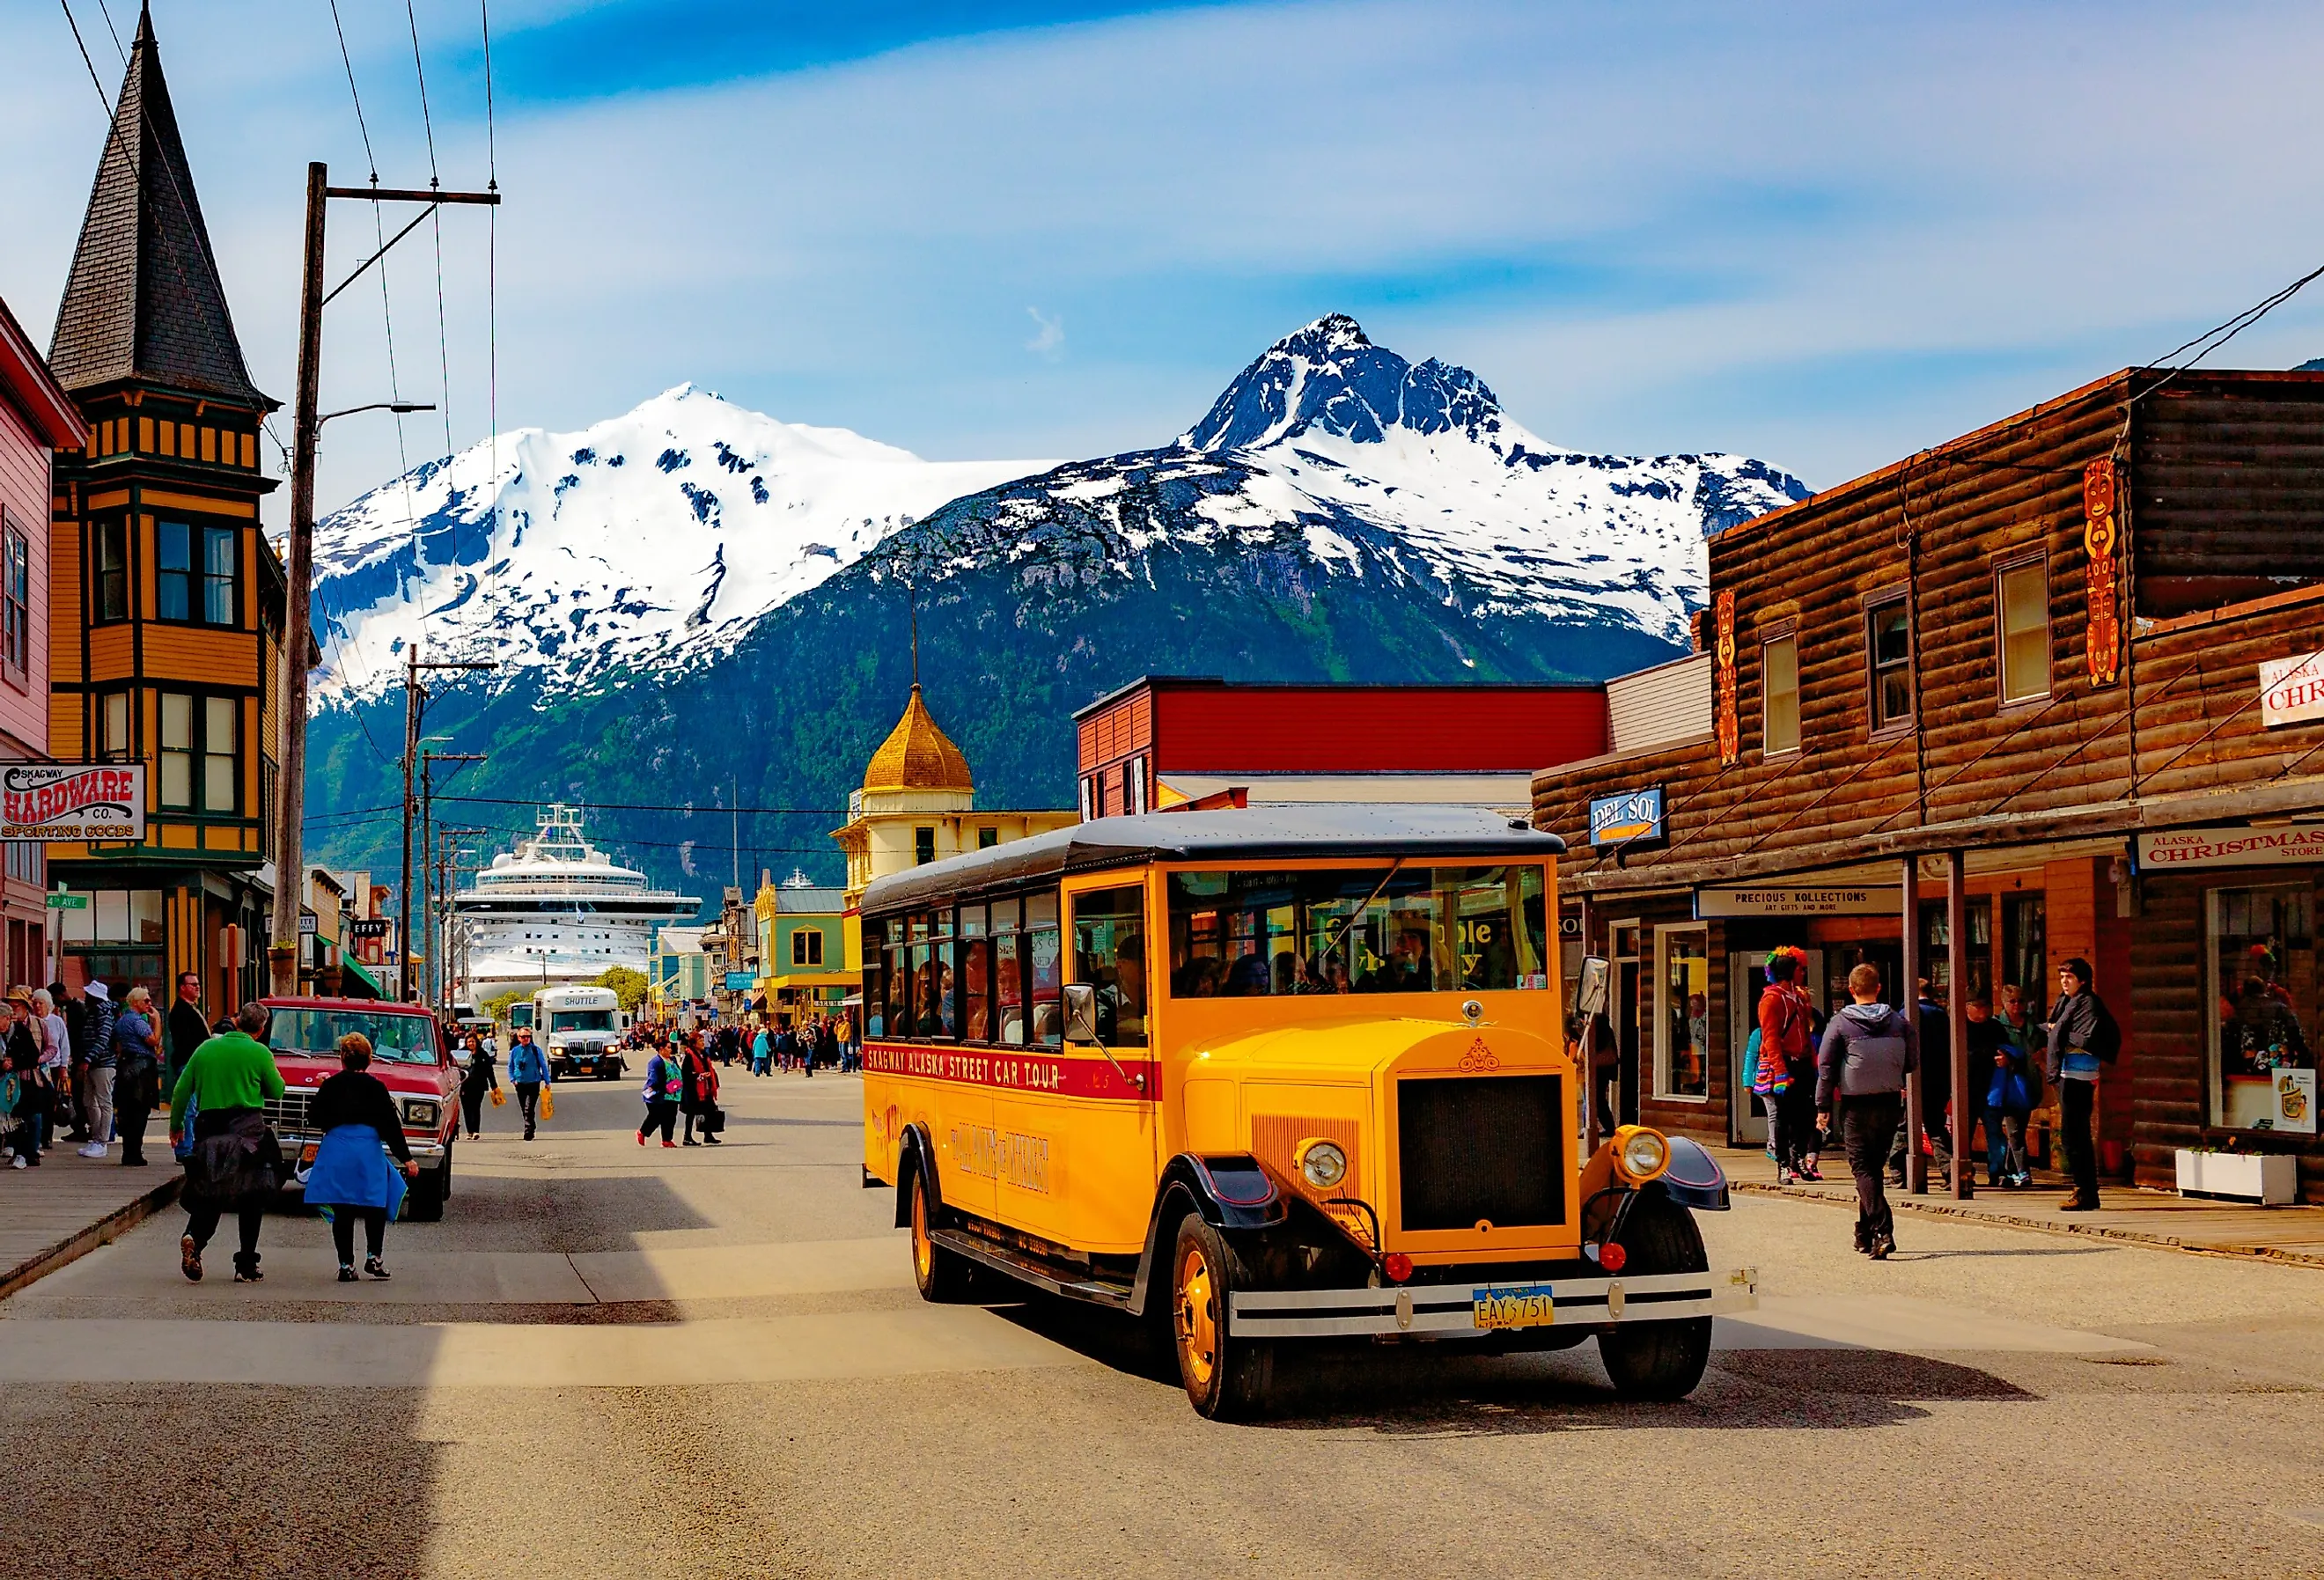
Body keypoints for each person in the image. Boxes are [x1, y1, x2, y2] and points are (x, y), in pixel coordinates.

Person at [169, 1003, 287, 1283]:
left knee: (211, 1192)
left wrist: (175, 1127)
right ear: (260, 1029)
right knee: (251, 1196)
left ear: (236, 1022)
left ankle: (194, 1240)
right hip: (248, 1134)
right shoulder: (259, 1052)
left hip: (209, 1130)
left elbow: (181, 1091)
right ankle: (246, 1263)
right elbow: (277, 1091)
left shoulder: (206, 1049)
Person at [1815, 963, 1915, 1260]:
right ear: (1879, 988)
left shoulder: (1840, 1023)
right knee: (1872, 1169)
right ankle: (1864, 1233)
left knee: (1862, 1169)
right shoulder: (1899, 1022)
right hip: (1888, 1101)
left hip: (1856, 1103)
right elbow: (1911, 1062)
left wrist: (1822, 1106)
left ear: (1851, 990)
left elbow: (1826, 1067)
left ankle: (1884, 1231)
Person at [304, 1033, 420, 1281]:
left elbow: (313, 1118)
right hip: (367, 1150)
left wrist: (323, 1092)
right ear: (368, 1060)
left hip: (337, 1149)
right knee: (374, 1205)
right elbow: (390, 1125)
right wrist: (406, 1158)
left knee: (343, 1209)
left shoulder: (331, 1085)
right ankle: (374, 1258)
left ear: (342, 1059)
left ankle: (346, 1265)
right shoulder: (376, 1087)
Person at [2043, 958, 2109, 1212]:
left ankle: (2085, 1192)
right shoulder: (2065, 1002)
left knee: (2075, 1136)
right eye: (2061, 977)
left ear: (2082, 980)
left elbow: (2087, 1038)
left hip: (2079, 1076)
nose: (2064, 981)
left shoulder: (2089, 1003)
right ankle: (2084, 1190)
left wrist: (2056, 1030)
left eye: (2068, 977)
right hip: (2066, 1074)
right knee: (2072, 1135)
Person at [1755, 948, 1821, 1185]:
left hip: (1802, 1064)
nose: (1803, 973)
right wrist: (1781, 1072)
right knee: (1783, 1118)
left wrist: (1813, 1062)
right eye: (1800, 969)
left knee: (1806, 1116)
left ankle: (1799, 1159)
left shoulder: (1799, 997)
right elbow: (1770, 1038)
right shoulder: (1771, 999)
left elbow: (1806, 1032)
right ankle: (1783, 1165)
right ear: (1790, 972)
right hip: (1783, 1064)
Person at [1969, 995, 2036, 1188]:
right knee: (1964, 1135)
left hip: (1993, 1089)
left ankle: (1998, 1173)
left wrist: (2007, 1059)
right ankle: (1964, 1173)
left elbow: (2010, 1050)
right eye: (1979, 1008)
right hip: (1967, 1090)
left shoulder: (1994, 1026)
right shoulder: (1958, 1026)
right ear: (1968, 1008)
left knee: (1995, 1133)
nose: (1984, 1013)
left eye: (1986, 1009)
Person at [77, 984, 137, 1159]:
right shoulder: (93, 1012)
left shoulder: (103, 1013)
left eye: (88, 994)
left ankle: (102, 1141)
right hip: (92, 1063)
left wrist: (89, 1058)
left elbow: (103, 1038)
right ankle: (96, 1138)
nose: (86, 996)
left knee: (104, 1102)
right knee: (89, 1101)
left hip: (102, 1064)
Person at [109, 986, 161, 1167]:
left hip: (125, 1065)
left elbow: (116, 1043)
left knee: (127, 1111)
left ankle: (128, 1151)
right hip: (141, 1067)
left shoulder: (122, 1021)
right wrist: (158, 1020)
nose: (149, 1004)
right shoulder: (138, 1021)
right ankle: (134, 1152)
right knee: (140, 1110)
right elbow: (153, 1041)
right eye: (146, 1000)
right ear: (136, 1002)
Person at [7, 988, 48, 1167]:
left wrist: (41, 1060)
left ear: (25, 1007)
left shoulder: (37, 1025)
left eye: (16, 1006)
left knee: (33, 1115)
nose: (12, 1009)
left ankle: (32, 1150)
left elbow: (51, 1047)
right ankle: (18, 1151)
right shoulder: (8, 1029)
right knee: (14, 1114)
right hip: (10, 1080)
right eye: (10, 1006)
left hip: (33, 1076)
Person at [165, 971, 210, 1104]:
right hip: (189, 1064)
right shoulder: (180, 1011)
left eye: (198, 984)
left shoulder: (191, 1007)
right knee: (190, 1108)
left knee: (195, 1107)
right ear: (182, 987)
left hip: (195, 1063)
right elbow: (185, 1042)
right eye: (193, 984)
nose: (197, 987)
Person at [504, 1026, 551, 1142]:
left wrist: (547, 1081)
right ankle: (531, 1125)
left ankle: (528, 1131)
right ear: (518, 1038)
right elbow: (510, 1067)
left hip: (534, 1083)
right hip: (520, 1083)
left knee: (528, 1108)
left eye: (528, 1037)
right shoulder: (515, 1051)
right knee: (524, 1108)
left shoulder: (536, 1050)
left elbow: (543, 1065)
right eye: (523, 1037)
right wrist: (513, 1079)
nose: (526, 1039)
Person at [637, 1038, 681, 1148]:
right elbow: (655, 1080)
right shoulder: (656, 1062)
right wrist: (667, 1087)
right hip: (658, 1094)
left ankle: (667, 1140)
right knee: (656, 1116)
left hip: (673, 1093)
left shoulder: (673, 1060)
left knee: (671, 1117)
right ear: (661, 1049)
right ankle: (643, 1132)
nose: (670, 1050)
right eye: (668, 1048)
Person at [458, 1032, 498, 1141]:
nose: (471, 1043)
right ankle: (469, 1131)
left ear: (476, 1042)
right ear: (466, 1043)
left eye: (473, 1041)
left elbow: (489, 1071)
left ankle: (476, 1131)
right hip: (465, 1086)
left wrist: (494, 1086)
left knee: (476, 1108)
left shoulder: (483, 1054)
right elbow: (456, 1070)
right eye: (469, 1041)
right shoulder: (461, 1054)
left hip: (479, 1086)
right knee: (467, 1109)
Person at [680, 1037, 720, 1145]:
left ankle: (708, 1135)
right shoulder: (689, 1056)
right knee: (691, 1114)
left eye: (703, 1041)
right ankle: (687, 1137)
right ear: (694, 1044)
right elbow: (685, 1073)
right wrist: (699, 1075)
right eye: (700, 1041)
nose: (703, 1043)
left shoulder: (704, 1054)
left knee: (709, 1111)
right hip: (693, 1089)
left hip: (705, 1088)